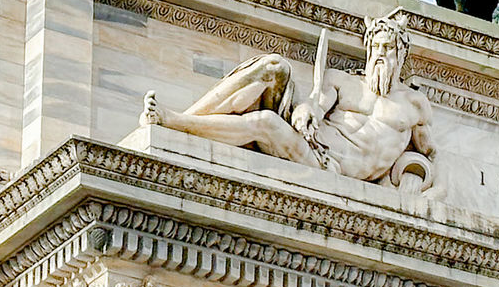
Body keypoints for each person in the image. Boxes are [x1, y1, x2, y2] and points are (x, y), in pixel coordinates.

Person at [138, 13, 437, 192]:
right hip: (316, 149)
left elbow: (430, 155)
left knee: (264, 122)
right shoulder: (341, 80)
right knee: (273, 67)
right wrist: (305, 112)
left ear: (401, 54)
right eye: (376, 47)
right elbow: (314, 104)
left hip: (333, 170)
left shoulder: (415, 104)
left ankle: (174, 123)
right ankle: (176, 124)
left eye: (389, 48)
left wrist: (412, 172)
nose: (381, 54)